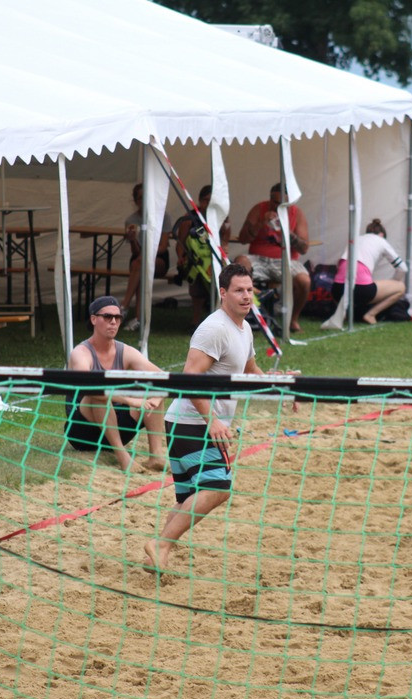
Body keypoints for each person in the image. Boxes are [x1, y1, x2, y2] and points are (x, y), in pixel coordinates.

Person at [144, 264, 266, 570]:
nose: (246, 296)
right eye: (239, 290)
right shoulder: (214, 328)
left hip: (196, 424)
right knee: (217, 489)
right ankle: (160, 544)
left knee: (188, 498)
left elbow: (251, 372)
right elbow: (189, 378)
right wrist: (212, 420)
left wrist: (285, 387)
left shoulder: (244, 327)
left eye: (249, 290)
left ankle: (158, 552)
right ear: (223, 293)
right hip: (193, 423)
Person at [65, 296, 168, 473]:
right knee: (97, 394)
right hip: (83, 431)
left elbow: (162, 377)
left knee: (154, 391)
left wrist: (156, 395)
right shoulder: (81, 353)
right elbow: (89, 388)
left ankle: (156, 456)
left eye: (117, 318)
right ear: (93, 319)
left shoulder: (125, 351)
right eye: (107, 317)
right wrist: (131, 400)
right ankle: (123, 458)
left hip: (116, 426)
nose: (113, 322)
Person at [234, 183, 311, 332]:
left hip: (285, 260)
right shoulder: (260, 209)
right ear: (270, 199)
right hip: (259, 258)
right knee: (240, 262)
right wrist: (261, 223)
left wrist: (288, 233)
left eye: (283, 204)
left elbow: (304, 248)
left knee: (305, 281)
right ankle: (245, 312)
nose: (278, 207)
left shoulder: (297, 213)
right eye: (275, 203)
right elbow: (243, 238)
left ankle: (293, 320)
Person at [329, 219, 408, 325]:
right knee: (401, 287)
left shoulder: (355, 239)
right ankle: (370, 315)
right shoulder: (381, 241)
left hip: (337, 290)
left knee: (360, 281)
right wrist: (394, 282)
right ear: (381, 235)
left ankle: (344, 314)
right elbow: (403, 268)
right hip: (361, 291)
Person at [121, 183, 174, 332]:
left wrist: (145, 254)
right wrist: (132, 239)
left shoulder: (164, 216)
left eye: (147, 197)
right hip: (139, 257)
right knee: (140, 266)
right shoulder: (131, 220)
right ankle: (138, 318)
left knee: (141, 264)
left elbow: (163, 246)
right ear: (135, 201)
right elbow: (135, 251)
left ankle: (124, 306)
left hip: (159, 258)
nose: (143, 201)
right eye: (140, 198)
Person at [174, 185, 229, 329]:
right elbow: (180, 243)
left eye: (212, 201)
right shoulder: (189, 218)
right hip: (195, 260)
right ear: (199, 200)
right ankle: (196, 320)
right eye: (206, 200)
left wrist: (223, 257)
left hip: (215, 259)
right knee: (196, 272)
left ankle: (222, 316)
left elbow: (225, 243)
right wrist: (181, 257)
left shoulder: (222, 218)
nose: (208, 204)